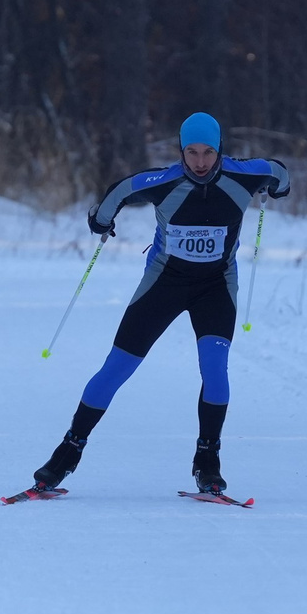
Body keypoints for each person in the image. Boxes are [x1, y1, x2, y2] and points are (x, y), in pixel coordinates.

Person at [31, 113, 290, 496]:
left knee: (215, 370)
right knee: (117, 367)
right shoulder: (165, 181)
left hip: (216, 286)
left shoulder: (243, 175)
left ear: (220, 151)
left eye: (208, 152)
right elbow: (120, 190)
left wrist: (277, 188)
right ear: (180, 151)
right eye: (191, 152)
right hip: (164, 284)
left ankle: (207, 461)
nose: (200, 162)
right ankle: (68, 452)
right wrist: (100, 221)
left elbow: (279, 171)